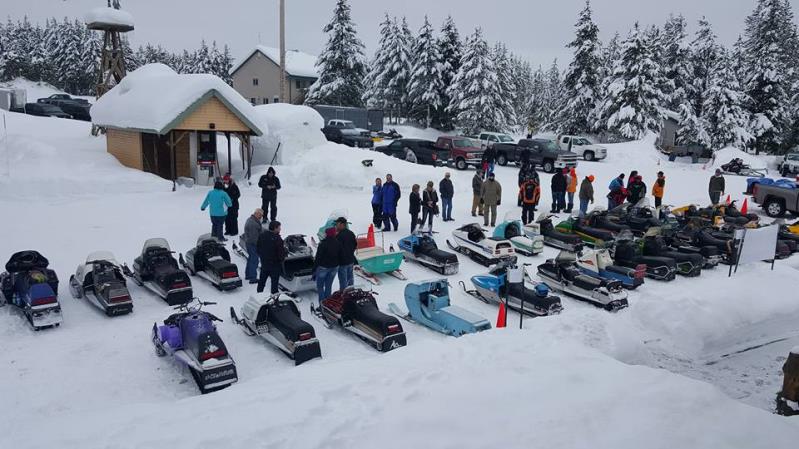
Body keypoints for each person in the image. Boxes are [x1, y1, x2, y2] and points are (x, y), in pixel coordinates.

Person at [313, 227, 341, 304]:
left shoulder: (323, 244)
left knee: (320, 287)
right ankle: (328, 304)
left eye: (325, 233)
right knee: (328, 286)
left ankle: (322, 304)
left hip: (323, 268)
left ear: (327, 234)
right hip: (334, 267)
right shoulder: (338, 243)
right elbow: (340, 255)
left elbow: (318, 258)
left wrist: (314, 269)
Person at [256, 220, 285, 294]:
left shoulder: (262, 235)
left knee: (262, 281)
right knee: (274, 284)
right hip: (275, 265)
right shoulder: (277, 239)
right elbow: (281, 253)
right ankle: (274, 296)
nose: (280, 229)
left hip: (264, 263)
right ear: (275, 228)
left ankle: (259, 295)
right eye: (279, 228)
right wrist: (281, 259)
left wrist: (262, 256)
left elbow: (258, 248)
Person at [242, 208, 264, 284]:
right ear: (256, 213)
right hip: (252, 244)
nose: (261, 217)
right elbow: (254, 237)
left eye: (262, 215)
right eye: (260, 215)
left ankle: (248, 275)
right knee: (254, 260)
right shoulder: (253, 224)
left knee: (251, 259)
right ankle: (252, 277)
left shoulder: (251, 220)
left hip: (249, 243)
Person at [335, 217, 357, 291]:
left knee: (343, 281)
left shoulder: (339, 236)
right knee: (350, 279)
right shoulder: (351, 233)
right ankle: (351, 293)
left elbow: (336, 249)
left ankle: (344, 294)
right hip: (350, 260)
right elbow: (355, 245)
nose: (336, 225)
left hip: (342, 262)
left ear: (342, 224)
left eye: (337, 224)